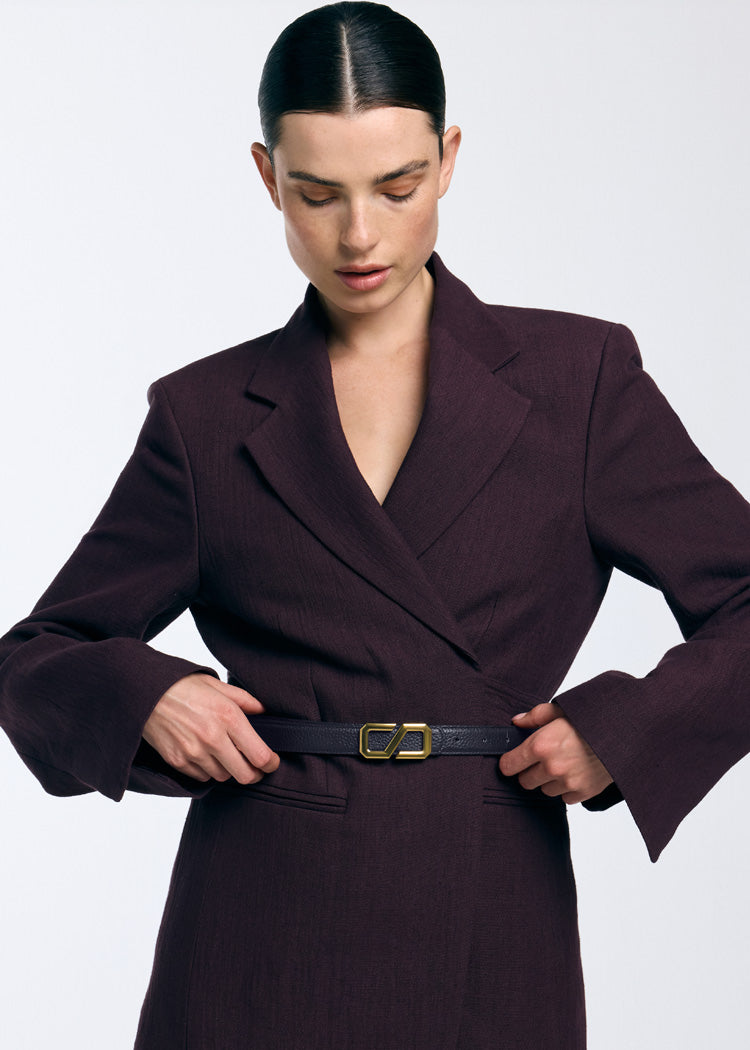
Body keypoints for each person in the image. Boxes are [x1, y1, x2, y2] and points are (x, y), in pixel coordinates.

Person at [1, 3, 750, 1048]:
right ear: (267, 178)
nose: (359, 235)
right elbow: (36, 653)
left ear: (448, 160)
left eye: (397, 188)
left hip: (488, 902)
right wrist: (146, 692)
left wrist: (626, 732)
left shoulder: (580, 380)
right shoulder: (205, 416)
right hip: (258, 921)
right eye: (318, 194)